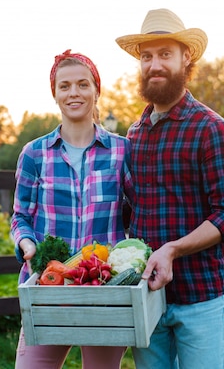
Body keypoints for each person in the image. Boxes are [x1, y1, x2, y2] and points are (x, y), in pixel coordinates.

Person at [115, 8, 224, 368]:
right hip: (147, 296)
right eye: (146, 56)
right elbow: (130, 210)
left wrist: (172, 249)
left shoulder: (212, 130)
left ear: (185, 58)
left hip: (201, 297)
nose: (154, 64)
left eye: (164, 55)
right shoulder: (135, 133)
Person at [10, 49, 135, 369]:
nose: (73, 93)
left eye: (82, 84)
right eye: (64, 86)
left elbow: (139, 212)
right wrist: (27, 245)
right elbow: (20, 216)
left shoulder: (122, 151)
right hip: (47, 288)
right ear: (54, 93)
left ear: (97, 90)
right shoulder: (34, 153)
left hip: (104, 290)